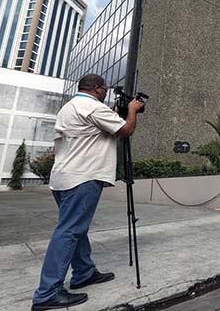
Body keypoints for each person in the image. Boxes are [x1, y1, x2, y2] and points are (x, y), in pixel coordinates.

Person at [31, 74, 144, 310]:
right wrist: (132, 109)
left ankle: (84, 272)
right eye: (104, 89)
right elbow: (126, 130)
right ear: (97, 88)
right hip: (83, 178)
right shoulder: (93, 107)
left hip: (63, 178)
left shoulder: (71, 107)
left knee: (75, 229)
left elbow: (96, 130)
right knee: (69, 231)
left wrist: (114, 111)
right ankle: (47, 293)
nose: (106, 93)